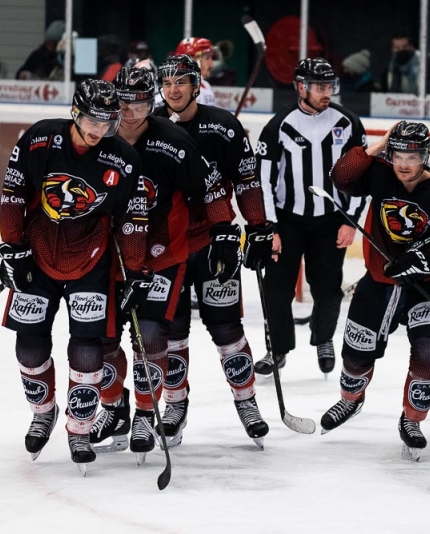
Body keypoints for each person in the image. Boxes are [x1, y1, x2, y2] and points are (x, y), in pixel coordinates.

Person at [0, 79, 146, 471]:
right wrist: (14, 249)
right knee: (29, 346)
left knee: (87, 346)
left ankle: (80, 427)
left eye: (107, 123)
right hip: (38, 256)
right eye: (91, 121)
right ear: (75, 113)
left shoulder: (123, 158)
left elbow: (132, 218)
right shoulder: (38, 139)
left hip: (91, 262)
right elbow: (13, 194)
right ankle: (43, 411)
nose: (98, 131)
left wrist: (134, 271)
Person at [88, 65, 235, 461]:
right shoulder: (100, 137)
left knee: (150, 333)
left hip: (162, 254)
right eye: (124, 103)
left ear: (150, 100)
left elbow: (210, 187)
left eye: (139, 103)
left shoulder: (174, 140)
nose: (132, 112)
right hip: (107, 254)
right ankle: (115, 409)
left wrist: (223, 230)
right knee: (101, 339)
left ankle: (145, 412)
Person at [325, 121, 430, 461]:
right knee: (354, 356)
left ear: (426, 155)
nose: (404, 164)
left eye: (413, 155)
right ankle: (351, 400)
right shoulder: (380, 173)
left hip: (425, 288)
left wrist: (423, 259)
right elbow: (342, 178)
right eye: (398, 154)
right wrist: (377, 146)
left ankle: (412, 421)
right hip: (378, 282)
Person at [153, 54, 273, 448]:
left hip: (213, 242)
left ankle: (246, 400)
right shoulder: (148, 124)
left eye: (181, 82)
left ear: (195, 83)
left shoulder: (223, 125)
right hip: (165, 248)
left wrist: (257, 229)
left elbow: (248, 179)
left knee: (226, 328)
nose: (173, 89)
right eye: (167, 82)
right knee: (171, 332)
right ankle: (175, 404)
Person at [255, 57, 367, 377]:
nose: (326, 91)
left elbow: (364, 174)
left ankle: (323, 339)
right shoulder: (279, 125)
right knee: (277, 288)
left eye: (330, 85)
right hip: (288, 221)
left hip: (332, 220)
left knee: (328, 288)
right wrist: (269, 228)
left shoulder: (347, 122)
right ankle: (277, 349)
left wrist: (351, 221)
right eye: (320, 86)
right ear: (301, 87)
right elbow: (263, 180)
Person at [175, 37, 217, 106]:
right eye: (207, 58)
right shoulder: (178, 90)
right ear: (191, 61)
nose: (211, 65)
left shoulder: (206, 85)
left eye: (211, 58)